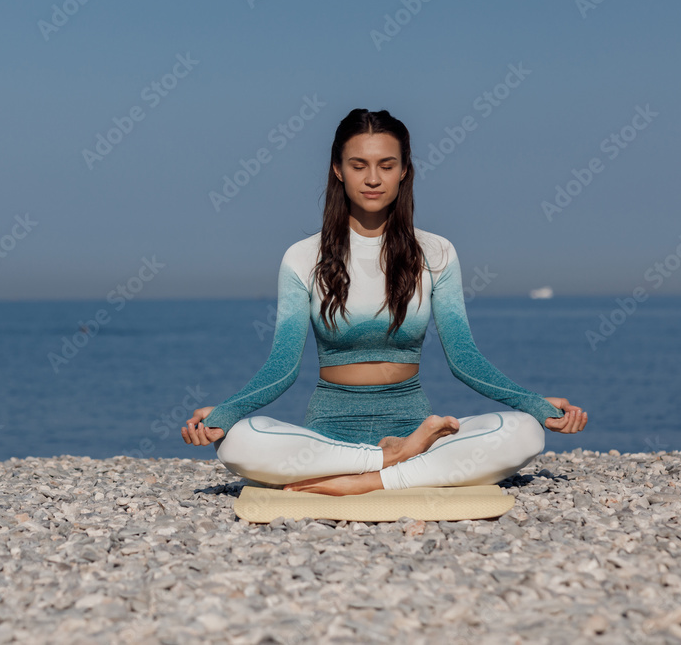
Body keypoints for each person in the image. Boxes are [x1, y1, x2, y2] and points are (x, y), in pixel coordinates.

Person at [181, 108, 587, 496]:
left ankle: (370, 478)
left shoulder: (437, 253)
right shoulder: (302, 258)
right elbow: (281, 368)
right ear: (338, 171)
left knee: (526, 432)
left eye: (386, 165)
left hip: (416, 426)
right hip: (327, 434)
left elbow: (464, 358)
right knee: (237, 443)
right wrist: (228, 413)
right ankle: (390, 463)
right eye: (359, 165)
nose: (373, 178)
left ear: (405, 170)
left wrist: (532, 403)